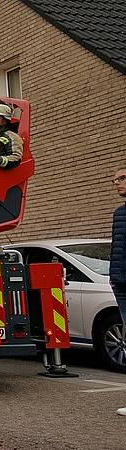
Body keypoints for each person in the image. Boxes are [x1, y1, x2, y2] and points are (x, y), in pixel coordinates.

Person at [111, 167, 126, 416]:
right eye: (115, 179)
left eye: (122, 178)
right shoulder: (120, 213)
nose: (117, 183)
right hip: (121, 282)